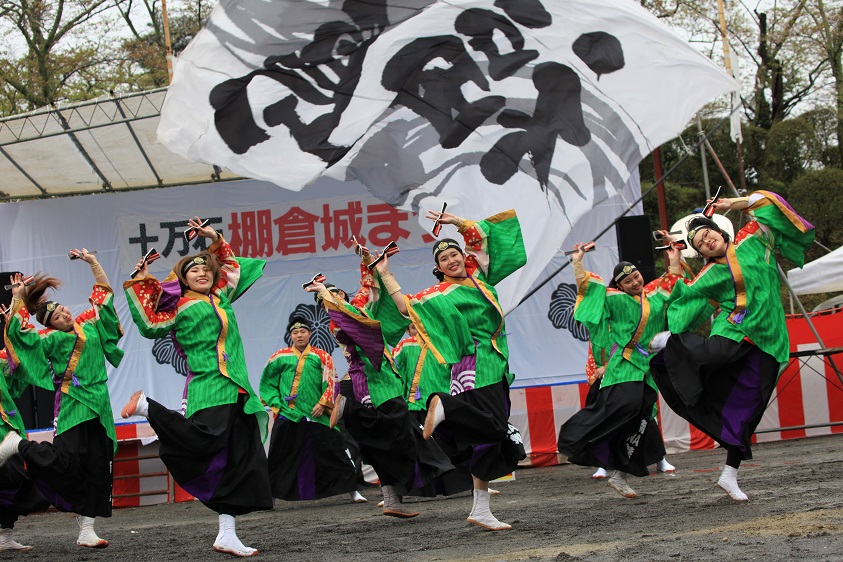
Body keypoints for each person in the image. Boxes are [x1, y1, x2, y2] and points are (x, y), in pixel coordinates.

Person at [649, 191, 814, 501]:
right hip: (735, 331)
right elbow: (686, 299)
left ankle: (729, 475)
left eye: (707, 234)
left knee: (749, 407)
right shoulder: (710, 273)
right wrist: (674, 263)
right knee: (712, 354)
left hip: (769, 337)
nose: (706, 242)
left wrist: (733, 204)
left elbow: (768, 205)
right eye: (698, 244)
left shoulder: (754, 240)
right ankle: (672, 349)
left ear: (719, 230)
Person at [120, 217, 272, 556]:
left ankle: (227, 534)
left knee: (238, 461)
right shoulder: (181, 308)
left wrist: (213, 237)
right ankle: (148, 406)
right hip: (207, 386)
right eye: (193, 270)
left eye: (206, 268)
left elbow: (230, 266)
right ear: (182, 279)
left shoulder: (221, 298)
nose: (202, 273)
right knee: (203, 442)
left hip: (238, 390)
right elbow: (148, 325)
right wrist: (139, 282)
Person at [377, 209, 527, 531]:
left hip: (496, 364)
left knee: (484, 438)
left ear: (463, 256)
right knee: (497, 433)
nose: (450, 260)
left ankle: (481, 509)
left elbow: (485, 242)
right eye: (443, 258)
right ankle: (446, 405)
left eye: (454, 253)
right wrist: (386, 274)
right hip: (475, 367)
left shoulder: (480, 278)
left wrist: (458, 223)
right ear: (438, 268)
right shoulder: (441, 293)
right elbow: (405, 307)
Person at [306, 251, 451, 519]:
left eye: (340, 295)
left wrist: (370, 264)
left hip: (385, 379)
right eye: (330, 298)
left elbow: (366, 288)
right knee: (400, 435)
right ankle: (349, 409)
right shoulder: (339, 324)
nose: (339, 299)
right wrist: (325, 294)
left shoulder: (355, 311)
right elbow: (351, 315)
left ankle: (392, 500)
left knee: (382, 445)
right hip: (371, 384)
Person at [0, 249, 122, 548]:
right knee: (65, 463)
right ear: (50, 324)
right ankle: (20, 445)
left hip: (100, 406)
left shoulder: (89, 325)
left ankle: (86, 530)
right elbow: (21, 334)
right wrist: (18, 297)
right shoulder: (51, 340)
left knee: (97, 466)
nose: (64, 315)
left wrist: (93, 263)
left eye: (64, 310)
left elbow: (103, 296)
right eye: (56, 316)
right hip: (72, 405)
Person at [556, 235, 683, 500]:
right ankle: (576, 437)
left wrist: (674, 256)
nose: (635, 282)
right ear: (621, 286)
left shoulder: (655, 298)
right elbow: (589, 289)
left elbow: (673, 280)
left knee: (639, 422)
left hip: (646, 370)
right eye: (628, 281)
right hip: (622, 365)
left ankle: (620, 475)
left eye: (636, 277)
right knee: (624, 406)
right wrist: (578, 264)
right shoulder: (614, 300)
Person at [260, 315, 365, 504]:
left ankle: (352, 491)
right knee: (280, 455)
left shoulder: (322, 356)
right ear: (290, 336)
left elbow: (332, 382)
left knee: (335, 452)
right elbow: (267, 384)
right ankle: (271, 496)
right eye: (295, 332)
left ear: (310, 333)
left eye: (302, 332)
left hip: (317, 413)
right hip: (288, 414)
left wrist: (323, 403)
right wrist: (278, 404)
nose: (299, 335)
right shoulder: (279, 357)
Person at [392, 323, 473, 498]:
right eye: (413, 327)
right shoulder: (404, 346)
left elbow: (459, 369)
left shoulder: (444, 343)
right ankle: (400, 494)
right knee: (416, 451)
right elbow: (393, 372)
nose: (418, 330)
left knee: (455, 445)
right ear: (407, 330)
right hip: (414, 405)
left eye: (421, 324)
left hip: (443, 403)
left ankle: (477, 485)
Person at [0, 336, 50, 551]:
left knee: (13, 481)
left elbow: (16, 363)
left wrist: (13, 325)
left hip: (6, 428)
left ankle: (5, 537)